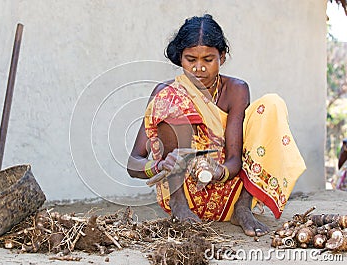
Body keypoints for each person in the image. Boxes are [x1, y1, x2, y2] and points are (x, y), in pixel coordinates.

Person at [127, 14, 306, 236]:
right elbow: (133, 163)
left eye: (208, 60)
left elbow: (233, 160)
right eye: (191, 60)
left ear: (222, 56)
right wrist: (159, 166)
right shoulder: (167, 93)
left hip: (229, 189)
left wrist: (217, 171)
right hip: (187, 194)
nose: (199, 68)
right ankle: (178, 204)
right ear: (180, 58)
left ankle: (242, 209)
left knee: (271, 104)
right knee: (169, 98)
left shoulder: (236, 90)